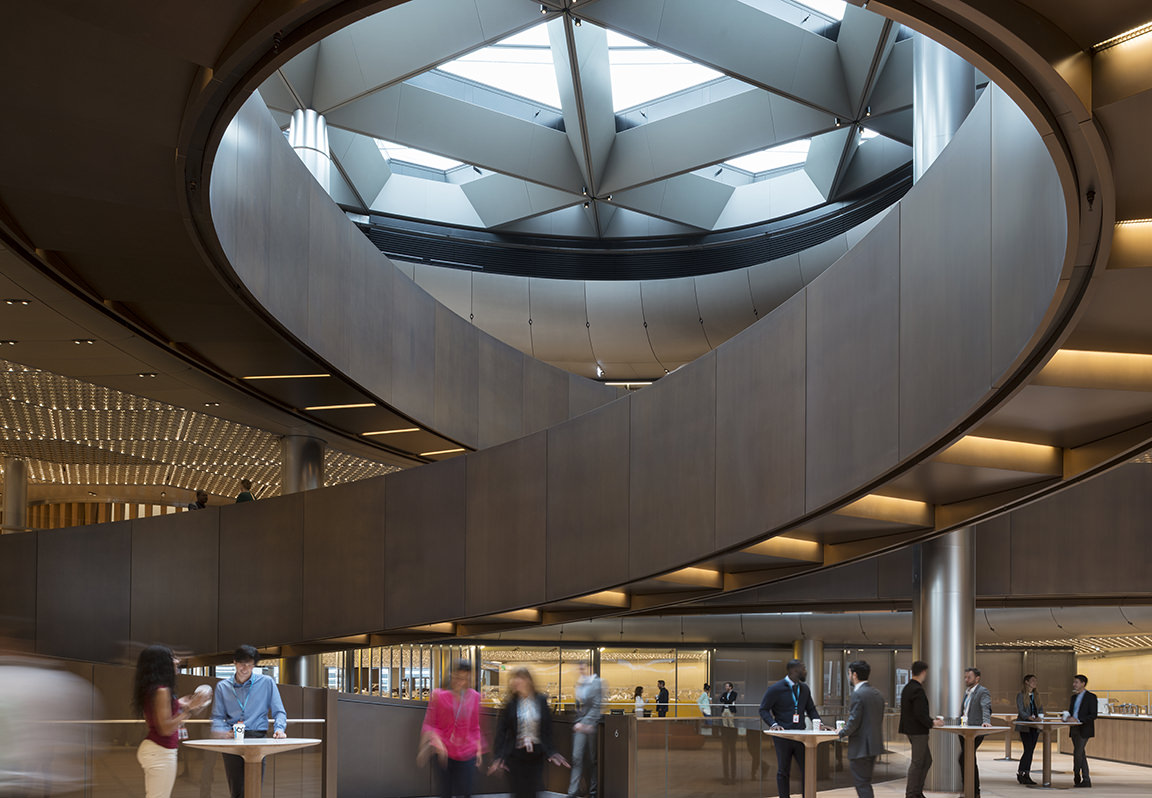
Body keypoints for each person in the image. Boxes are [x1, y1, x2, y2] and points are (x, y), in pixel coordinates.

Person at [210, 645, 287, 798]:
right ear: (234, 662)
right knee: (236, 790)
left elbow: (279, 711)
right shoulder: (223, 687)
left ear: (254, 665)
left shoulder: (266, 683)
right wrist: (223, 731)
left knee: (254, 788)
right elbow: (217, 717)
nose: (245, 668)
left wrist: (280, 729)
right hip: (232, 741)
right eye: (241, 663)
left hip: (258, 739)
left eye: (250, 664)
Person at [133, 645, 210, 798]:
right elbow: (166, 728)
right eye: (172, 658)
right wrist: (189, 709)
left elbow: (163, 717)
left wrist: (185, 705)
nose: (177, 661)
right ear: (162, 663)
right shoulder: (161, 690)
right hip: (160, 751)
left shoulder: (153, 689)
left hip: (156, 750)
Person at [489, 667, 569, 798]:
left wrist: (552, 752)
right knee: (518, 791)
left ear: (528, 681)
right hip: (514, 756)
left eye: (518, 679)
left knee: (531, 792)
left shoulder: (541, 700)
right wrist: (498, 757)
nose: (514, 682)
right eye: (513, 679)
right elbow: (501, 731)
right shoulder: (510, 703)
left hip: (535, 755)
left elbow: (547, 729)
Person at [760, 660, 826, 798]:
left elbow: (811, 709)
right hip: (783, 737)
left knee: (806, 770)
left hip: (801, 736)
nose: (805, 671)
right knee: (783, 771)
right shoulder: (775, 689)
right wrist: (773, 724)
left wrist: (819, 723)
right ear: (793, 671)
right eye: (803, 669)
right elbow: (763, 710)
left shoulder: (804, 689)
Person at [420, 659, 484, 798]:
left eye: (465, 679)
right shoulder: (439, 695)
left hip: (467, 753)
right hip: (444, 753)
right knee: (445, 792)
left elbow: (475, 726)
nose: (460, 682)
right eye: (458, 677)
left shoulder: (475, 697)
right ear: (451, 675)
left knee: (466, 792)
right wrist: (438, 743)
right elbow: (430, 724)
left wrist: (478, 749)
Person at [839, 660, 884, 798]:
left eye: (849, 673)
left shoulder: (858, 694)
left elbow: (854, 721)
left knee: (862, 784)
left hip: (861, 748)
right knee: (865, 782)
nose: (849, 676)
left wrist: (841, 732)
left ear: (854, 674)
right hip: (874, 745)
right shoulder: (877, 694)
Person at [899, 660, 943, 798]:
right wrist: (933, 722)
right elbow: (919, 713)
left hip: (912, 730)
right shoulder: (917, 689)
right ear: (923, 672)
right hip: (918, 731)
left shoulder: (907, 687)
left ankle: (917, 791)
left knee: (926, 760)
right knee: (918, 762)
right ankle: (912, 793)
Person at [567, 661, 602, 798]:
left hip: (591, 725)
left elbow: (596, 705)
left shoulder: (597, 682)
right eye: (579, 668)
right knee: (576, 758)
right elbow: (579, 706)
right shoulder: (580, 683)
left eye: (582, 668)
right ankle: (573, 792)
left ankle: (593, 791)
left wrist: (585, 723)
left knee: (593, 759)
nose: (580, 670)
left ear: (589, 668)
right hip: (580, 725)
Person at [958, 667, 992, 798]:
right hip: (964, 730)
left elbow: (986, 707)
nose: (966, 680)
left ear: (977, 678)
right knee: (967, 759)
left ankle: (973, 791)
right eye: (965, 677)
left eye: (969, 677)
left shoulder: (983, 692)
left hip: (975, 731)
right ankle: (970, 791)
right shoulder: (967, 692)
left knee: (965, 759)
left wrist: (986, 721)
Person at [1067, 674, 1098, 788]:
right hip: (1074, 728)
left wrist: (1079, 719)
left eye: (1076, 682)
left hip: (1084, 728)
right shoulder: (1073, 697)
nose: (1074, 684)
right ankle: (1086, 779)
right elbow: (1072, 712)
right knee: (1081, 753)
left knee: (1078, 752)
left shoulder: (1091, 697)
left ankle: (1076, 774)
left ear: (1083, 684)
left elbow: (1093, 715)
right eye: (1074, 682)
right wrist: (1067, 717)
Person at [1015, 674, 1043, 785]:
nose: (1035, 682)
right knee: (1028, 749)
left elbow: (1040, 708)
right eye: (1032, 680)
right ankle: (1021, 772)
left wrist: (1040, 717)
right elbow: (1021, 711)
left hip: (1035, 727)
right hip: (1025, 726)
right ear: (1026, 682)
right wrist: (1028, 717)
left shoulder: (1037, 695)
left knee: (1030, 750)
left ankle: (1026, 773)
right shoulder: (1021, 695)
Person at [718, 682, 738, 784]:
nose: (725, 687)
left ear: (730, 687)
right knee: (725, 724)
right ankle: (726, 735)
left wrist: (726, 700)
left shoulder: (734, 693)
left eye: (727, 686)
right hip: (724, 710)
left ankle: (731, 735)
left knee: (731, 724)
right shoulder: (724, 694)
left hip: (730, 710)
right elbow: (721, 699)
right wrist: (725, 701)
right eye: (725, 686)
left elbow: (730, 700)